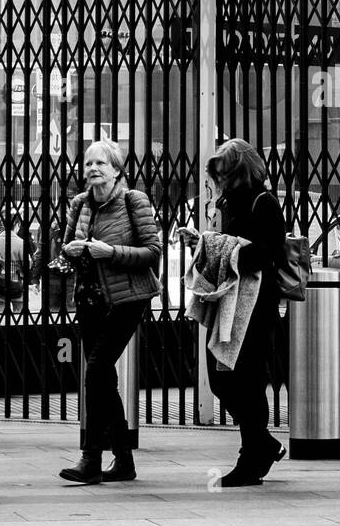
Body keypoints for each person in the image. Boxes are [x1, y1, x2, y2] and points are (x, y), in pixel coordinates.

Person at [180, 139, 287, 486]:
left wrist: (220, 245)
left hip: (255, 305)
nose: (220, 179)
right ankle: (262, 442)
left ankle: (252, 458)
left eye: (224, 172)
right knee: (222, 379)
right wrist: (202, 241)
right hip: (228, 301)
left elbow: (265, 252)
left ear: (240, 170)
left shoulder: (263, 202)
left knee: (246, 379)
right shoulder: (227, 202)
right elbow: (226, 244)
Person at [58, 140, 160, 485]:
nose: (93, 169)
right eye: (88, 163)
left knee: (97, 370)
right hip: (90, 300)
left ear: (117, 170)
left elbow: (152, 252)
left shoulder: (134, 201)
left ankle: (91, 458)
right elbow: (68, 250)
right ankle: (124, 460)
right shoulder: (80, 203)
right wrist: (71, 250)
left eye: (101, 163)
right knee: (104, 378)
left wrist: (111, 252)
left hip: (127, 299)